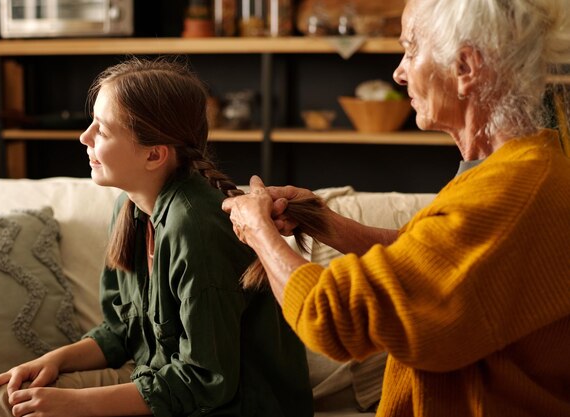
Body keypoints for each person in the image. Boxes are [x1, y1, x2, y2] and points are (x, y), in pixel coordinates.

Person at [222, 0, 570, 416]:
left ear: (466, 69)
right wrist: (329, 224)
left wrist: (257, 229)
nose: (399, 72)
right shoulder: (519, 170)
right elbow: (433, 261)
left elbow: (331, 317)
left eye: (410, 49)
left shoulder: (510, 195)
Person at [0, 57, 313, 417]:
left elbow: (205, 380)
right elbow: (122, 330)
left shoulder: (195, 227)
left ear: (154, 154)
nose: (84, 137)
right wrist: (53, 361)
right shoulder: (130, 208)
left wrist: (76, 404)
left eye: (102, 130)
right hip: (171, 396)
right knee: (8, 400)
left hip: (235, 408)